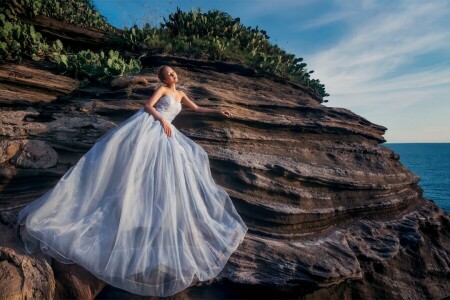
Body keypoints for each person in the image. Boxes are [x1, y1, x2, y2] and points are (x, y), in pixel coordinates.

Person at [17, 65, 248, 297]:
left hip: (167, 134)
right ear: (163, 77)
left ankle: (154, 219)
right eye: (168, 73)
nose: (173, 75)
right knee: (139, 170)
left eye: (173, 72)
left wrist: (218, 111)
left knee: (184, 164)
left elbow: (197, 108)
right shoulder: (162, 90)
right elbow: (147, 106)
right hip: (152, 128)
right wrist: (163, 121)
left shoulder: (181, 94)